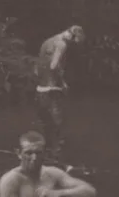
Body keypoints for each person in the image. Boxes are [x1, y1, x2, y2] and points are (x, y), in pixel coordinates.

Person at [32, 25, 84, 158]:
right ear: (71, 36)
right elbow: (54, 65)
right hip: (53, 89)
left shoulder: (47, 42)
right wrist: (62, 82)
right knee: (58, 124)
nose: (71, 45)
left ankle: (43, 153)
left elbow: (37, 68)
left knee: (45, 124)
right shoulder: (61, 44)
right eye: (73, 42)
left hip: (40, 89)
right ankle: (57, 156)